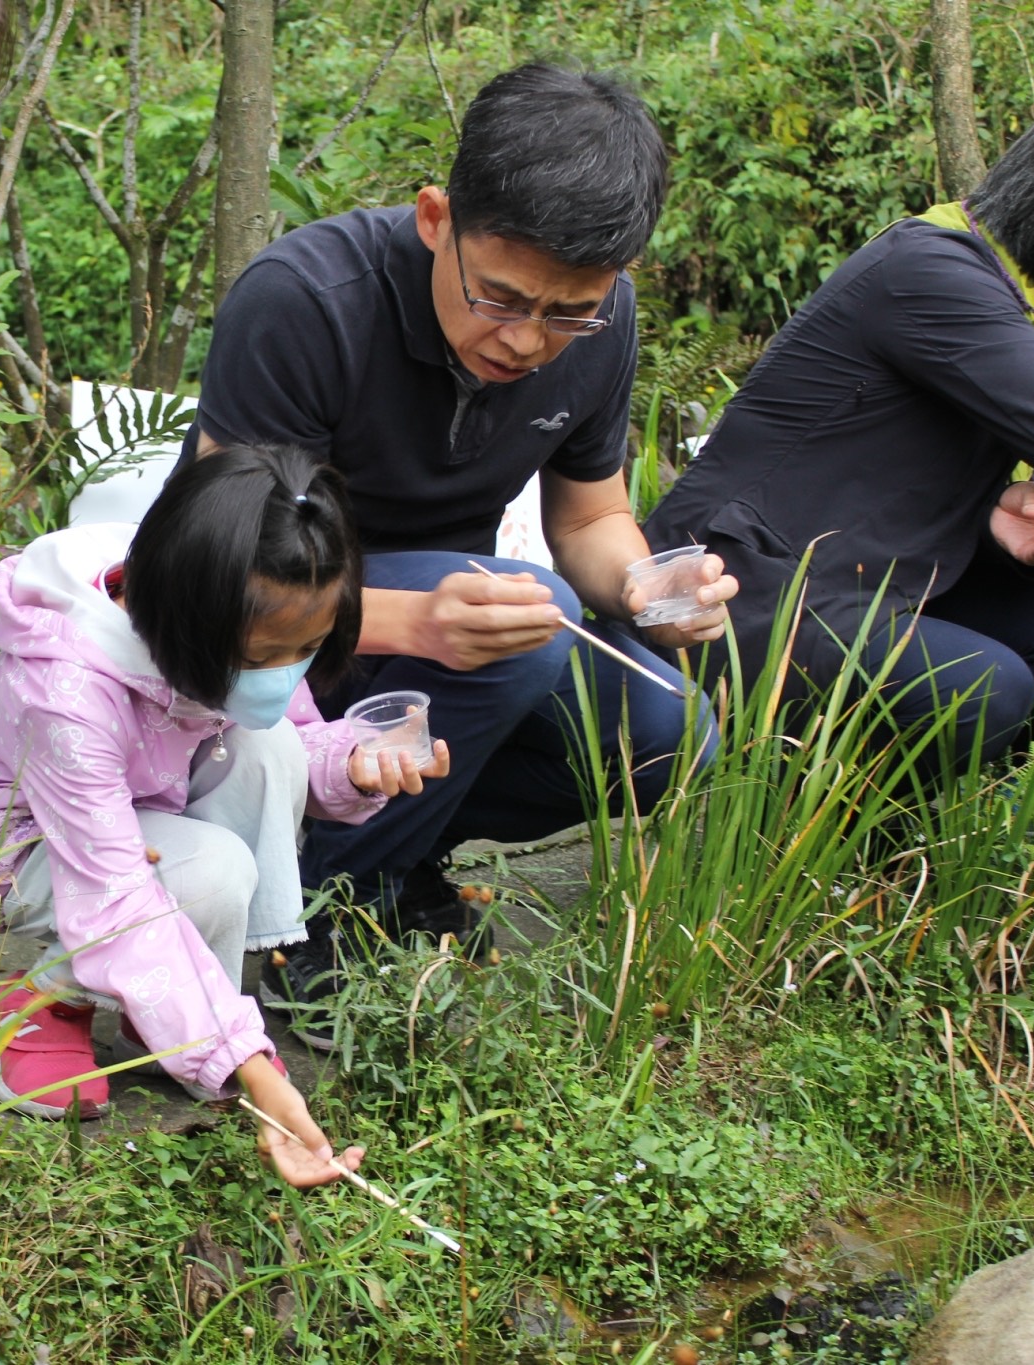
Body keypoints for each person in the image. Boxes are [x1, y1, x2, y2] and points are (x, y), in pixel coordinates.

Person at [182, 63, 735, 1040]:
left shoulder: (600, 328)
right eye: (502, 299)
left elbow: (588, 521)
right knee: (522, 616)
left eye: (568, 311)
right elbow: (225, 570)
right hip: (271, 651)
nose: (527, 341)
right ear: (435, 218)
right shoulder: (305, 301)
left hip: (449, 637)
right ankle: (325, 910)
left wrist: (648, 584)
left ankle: (404, 850)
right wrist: (413, 622)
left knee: (669, 731)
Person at [0, 445, 445, 1186]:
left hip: (158, 813)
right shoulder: (66, 691)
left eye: (305, 650)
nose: (283, 672)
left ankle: (176, 1011)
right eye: (262, 656)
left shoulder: (230, 612)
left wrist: (353, 763)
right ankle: (48, 998)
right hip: (23, 848)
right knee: (211, 872)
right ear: (185, 621)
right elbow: (112, 891)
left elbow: (299, 740)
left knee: (270, 745)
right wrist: (256, 1071)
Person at [644, 86, 1034, 775]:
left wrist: (997, 534)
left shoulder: (1017, 305)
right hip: (737, 595)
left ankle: (922, 820)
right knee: (977, 687)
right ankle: (807, 820)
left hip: (860, 575)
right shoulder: (933, 276)